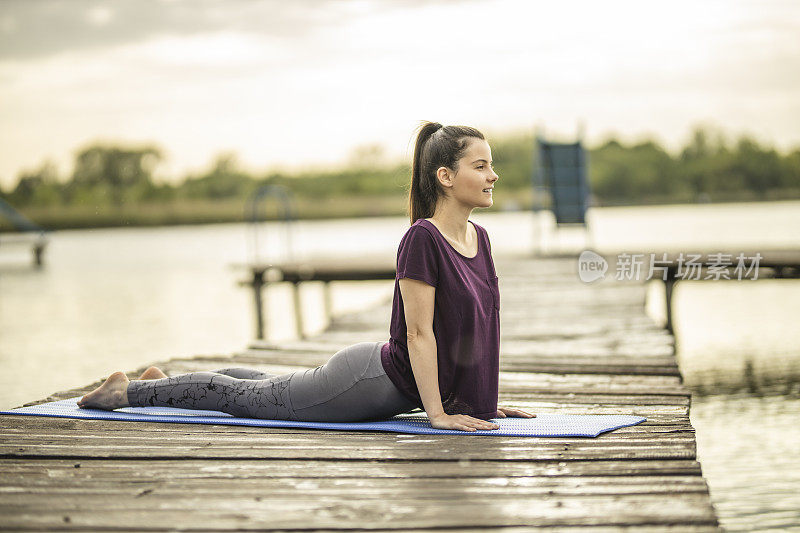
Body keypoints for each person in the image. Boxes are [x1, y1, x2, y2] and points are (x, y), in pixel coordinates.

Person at [79, 121, 535, 432]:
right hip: (369, 381)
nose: (493, 175)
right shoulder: (423, 239)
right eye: (481, 165)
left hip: (381, 383)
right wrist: (437, 415)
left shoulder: (481, 239)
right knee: (246, 400)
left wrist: (481, 404)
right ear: (445, 177)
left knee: (259, 383)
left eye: (491, 164)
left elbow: (480, 332)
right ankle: (128, 390)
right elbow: (418, 334)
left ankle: (165, 381)